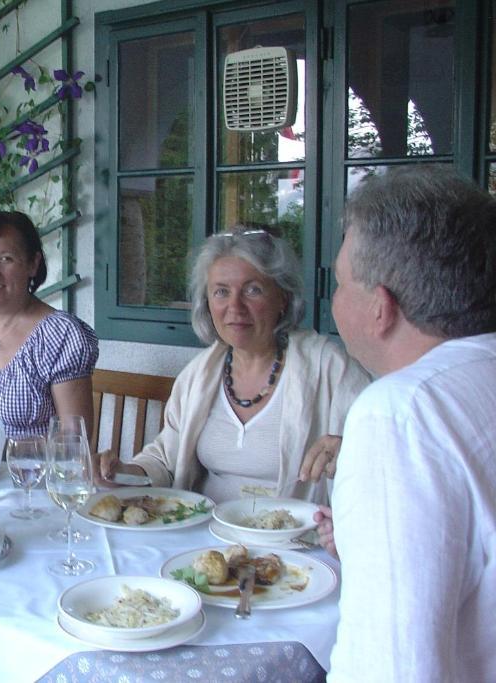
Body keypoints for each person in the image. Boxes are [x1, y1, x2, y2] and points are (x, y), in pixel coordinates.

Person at [327, 167, 496, 681]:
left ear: (380, 309)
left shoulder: (400, 413)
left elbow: (391, 664)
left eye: (338, 283)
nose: (333, 300)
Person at [100, 225, 370, 504]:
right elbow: (165, 460)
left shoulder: (329, 368)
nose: (235, 307)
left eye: (252, 290)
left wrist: (348, 450)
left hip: (296, 541)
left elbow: (381, 450)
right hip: (205, 539)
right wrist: (123, 473)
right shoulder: (198, 375)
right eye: (221, 292)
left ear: (283, 298)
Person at [0, 211, 98, 438]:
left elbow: (72, 441)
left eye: (6, 259)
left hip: (33, 472)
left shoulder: (60, 336)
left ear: (33, 264)